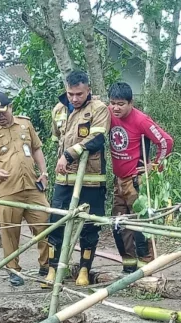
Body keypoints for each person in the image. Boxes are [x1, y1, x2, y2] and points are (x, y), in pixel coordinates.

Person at [0, 93, 52, 287]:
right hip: (7, 189)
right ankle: (13, 270)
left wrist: (44, 172)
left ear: (10, 107)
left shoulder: (25, 124)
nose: (0, 117)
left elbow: (36, 148)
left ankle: (46, 265)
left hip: (32, 185)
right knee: (10, 232)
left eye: (2, 112)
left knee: (45, 224)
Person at [47, 70, 110, 286]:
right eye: (71, 93)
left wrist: (69, 154)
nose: (75, 98)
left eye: (79, 94)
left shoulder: (99, 109)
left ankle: (84, 270)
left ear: (88, 90)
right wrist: (61, 156)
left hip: (91, 179)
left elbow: (97, 139)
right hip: (64, 180)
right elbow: (56, 138)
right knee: (56, 223)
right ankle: (53, 269)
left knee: (89, 226)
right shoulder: (58, 110)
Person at [107, 81, 174, 273]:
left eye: (121, 103)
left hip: (136, 182)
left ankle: (147, 271)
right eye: (113, 103)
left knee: (140, 227)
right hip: (118, 180)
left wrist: (154, 165)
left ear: (130, 103)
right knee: (119, 224)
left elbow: (165, 141)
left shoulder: (141, 120)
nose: (116, 107)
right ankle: (128, 269)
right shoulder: (108, 113)